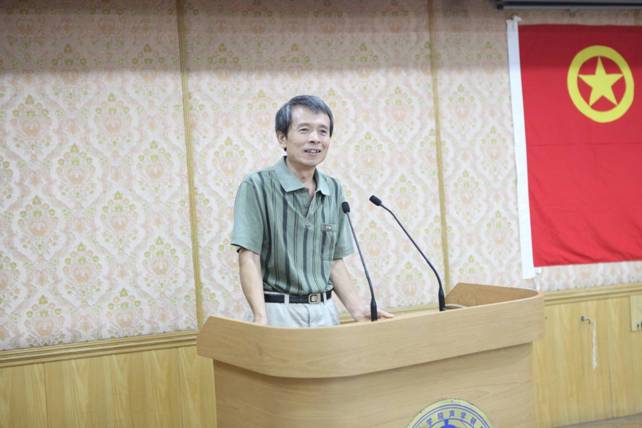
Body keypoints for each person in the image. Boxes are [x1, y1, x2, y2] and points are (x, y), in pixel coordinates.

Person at [231, 95, 393, 327]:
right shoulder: (257, 185)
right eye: (304, 130)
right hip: (277, 311)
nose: (315, 138)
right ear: (282, 138)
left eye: (323, 131)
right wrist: (260, 316)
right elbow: (249, 256)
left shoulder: (333, 188)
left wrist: (357, 309)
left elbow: (333, 261)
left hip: (325, 312)